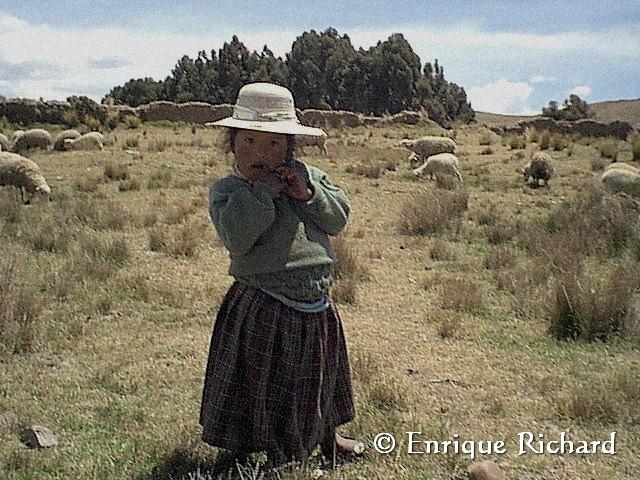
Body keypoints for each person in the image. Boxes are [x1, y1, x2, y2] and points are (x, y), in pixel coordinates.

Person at [199, 82, 365, 469]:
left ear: (289, 147)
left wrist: (306, 194)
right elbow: (238, 238)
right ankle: (251, 448)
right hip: (263, 301)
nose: (261, 154)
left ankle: (329, 436)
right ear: (232, 145)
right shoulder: (229, 191)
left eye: (274, 145)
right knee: (258, 381)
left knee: (318, 377)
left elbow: (337, 218)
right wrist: (265, 194)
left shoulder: (309, 177)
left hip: (316, 300)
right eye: (250, 142)